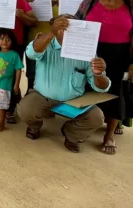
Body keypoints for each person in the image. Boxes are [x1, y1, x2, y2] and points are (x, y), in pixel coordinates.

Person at [74, 0, 133, 155]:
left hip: (121, 55)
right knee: (88, 90)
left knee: (116, 93)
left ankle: (109, 134)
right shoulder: (89, 3)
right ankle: (87, 126)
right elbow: (77, 23)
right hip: (91, 53)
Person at [17, 15, 110, 153]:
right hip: (43, 96)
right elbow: (31, 53)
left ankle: (71, 134)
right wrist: (52, 33)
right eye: (61, 26)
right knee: (25, 109)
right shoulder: (45, 43)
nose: (66, 30)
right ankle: (34, 126)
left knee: (96, 118)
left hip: (74, 100)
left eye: (70, 26)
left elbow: (102, 87)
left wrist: (98, 74)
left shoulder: (87, 51)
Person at [25, 0, 58, 93]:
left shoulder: (59, 5)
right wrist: (25, 3)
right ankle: (30, 97)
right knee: (32, 74)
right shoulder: (30, 5)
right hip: (34, 44)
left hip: (54, 46)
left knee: (51, 74)